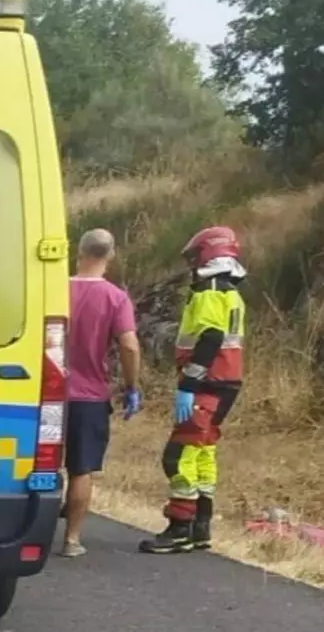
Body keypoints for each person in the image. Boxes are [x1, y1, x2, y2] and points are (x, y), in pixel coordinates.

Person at [140, 226, 246, 555]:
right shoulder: (230, 290)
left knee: (179, 455)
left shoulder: (209, 291)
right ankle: (201, 527)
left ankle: (179, 528)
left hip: (206, 384)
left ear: (207, 253)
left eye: (194, 257)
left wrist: (188, 384)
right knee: (202, 451)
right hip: (225, 382)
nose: (191, 264)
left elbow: (210, 337)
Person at [61, 228, 142, 558]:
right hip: (89, 396)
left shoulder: (55, 289)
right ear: (110, 256)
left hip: (44, 392)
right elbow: (129, 345)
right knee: (81, 469)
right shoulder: (115, 297)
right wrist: (131, 386)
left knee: (39, 464)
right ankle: (71, 540)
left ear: (78, 252)